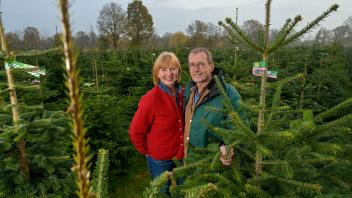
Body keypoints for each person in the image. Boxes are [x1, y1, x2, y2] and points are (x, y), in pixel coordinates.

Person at [129, 51, 184, 195]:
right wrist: (147, 152)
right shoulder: (150, 99)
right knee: (162, 193)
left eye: (173, 68)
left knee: (184, 191)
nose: (169, 73)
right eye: (163, 69)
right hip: (160, 161)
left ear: (178, 71)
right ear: (157, 74)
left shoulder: (184, 94)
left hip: (182, 157)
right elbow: (135, 131)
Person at [184, 47, 244, 165]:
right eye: (192, 64)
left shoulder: (228, 93)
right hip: (187, 162)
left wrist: (227, 147)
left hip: (211, 165)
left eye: (201, 64)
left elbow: (239, 128)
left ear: (211, 66)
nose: (196, 69)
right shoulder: (189, 90)